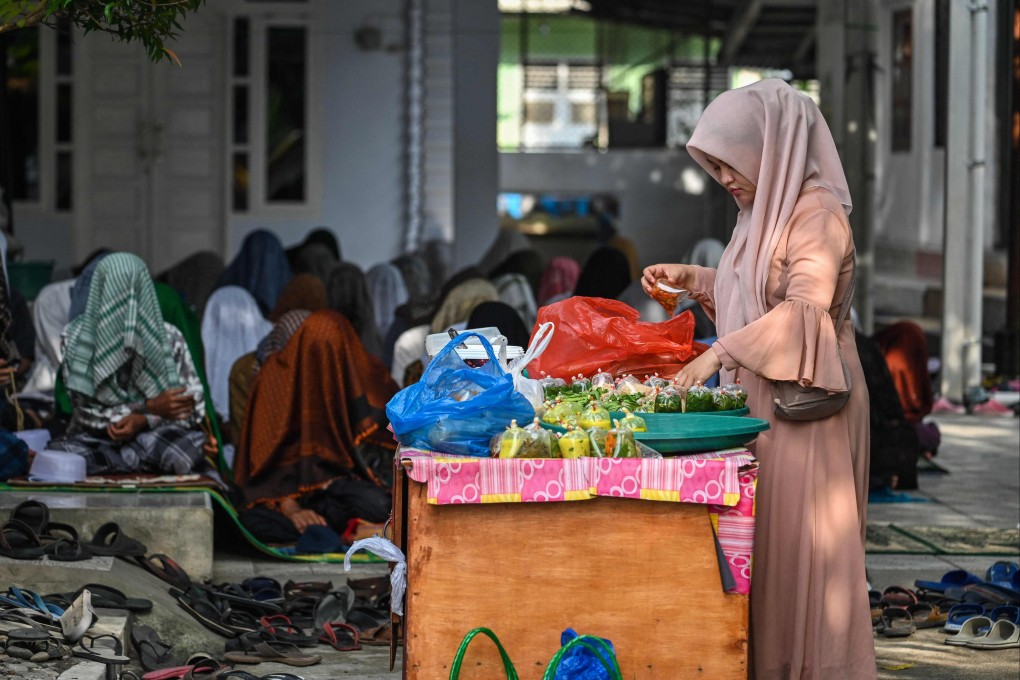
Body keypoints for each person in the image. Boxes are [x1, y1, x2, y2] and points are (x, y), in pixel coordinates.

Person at [641, 80, 875, 679]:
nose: (724, 176)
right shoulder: (759, 214)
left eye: (730, 161)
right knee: (765, 549)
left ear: (771, 150)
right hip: (765, 406)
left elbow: (803, 310)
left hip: (809, 408)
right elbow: (753, 292)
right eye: (714, 164)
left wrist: (718, 354)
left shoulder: (816, 214)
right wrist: (695, 279)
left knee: (803, 554)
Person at [233, 310, 397, 541]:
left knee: (379, 505)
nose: (324, 362)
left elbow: (387, 457)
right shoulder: (274, 382)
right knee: (254, 522)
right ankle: (339, 531)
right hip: (289, 492)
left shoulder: (365, 377)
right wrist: (291, 509)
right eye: (315, 352)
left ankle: (336, 530)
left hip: (343, 487)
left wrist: (329, 482)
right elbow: (263, 465)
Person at [48, 253, 213, 475]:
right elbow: (85, 411)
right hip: (97, 437)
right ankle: (131, 462)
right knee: (63, 455)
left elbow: (193, 406)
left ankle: (122, 463)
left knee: (180, 454)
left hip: (155, 435)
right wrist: (149, 406)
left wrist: (145, 419)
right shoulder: (76, 338)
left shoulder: (169, 337)